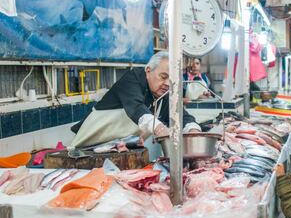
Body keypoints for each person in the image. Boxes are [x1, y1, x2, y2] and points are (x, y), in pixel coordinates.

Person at [70, 51, 201, 148]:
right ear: (148, 71)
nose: (167, 83)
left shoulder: (164, 94)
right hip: (88, 148)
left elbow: (181, 116)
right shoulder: (132, 79)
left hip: (118, 148)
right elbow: (136, 108)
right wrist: (160, 129)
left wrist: (193, 131)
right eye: (163, 76)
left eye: (171, 79)